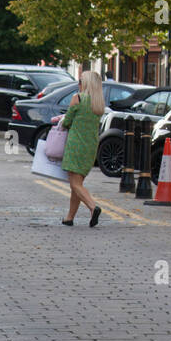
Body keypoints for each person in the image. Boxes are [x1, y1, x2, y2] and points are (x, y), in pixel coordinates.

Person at [59, 69, 105, 226]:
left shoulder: (77, 98)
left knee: (75, 184)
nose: (78, 84)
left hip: (76, 144)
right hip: (91, 146)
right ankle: (69, 217)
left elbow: (67, 122)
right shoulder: (98, 103)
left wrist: (63, 119)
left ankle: (93, 207)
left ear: (86, 84)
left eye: (80, 81)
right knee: (77, 185)